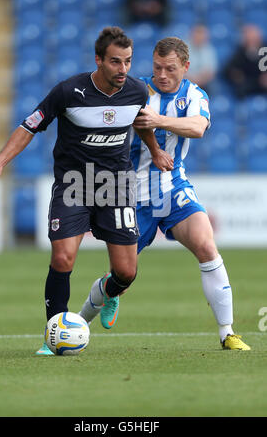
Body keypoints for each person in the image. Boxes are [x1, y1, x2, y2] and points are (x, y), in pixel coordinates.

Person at [0, 27, 173, 355]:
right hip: (74, 185)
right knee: (62, 257)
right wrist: (0, 162)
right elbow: (29, 126)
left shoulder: (138, 92)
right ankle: (53, 332)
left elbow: (142, 124)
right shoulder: (69, 91)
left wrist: (155, 151)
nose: (123, 69)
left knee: (126, 272)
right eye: (115, 62)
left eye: (127, 61)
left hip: (116, 186)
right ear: (98, 60)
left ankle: (107, 292)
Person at [80, 36, 251, 351]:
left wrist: (159, 120)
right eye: (157, 67)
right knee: (120, 274)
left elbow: (198, 128)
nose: (162, 75)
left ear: (186, 67)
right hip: (131, 195)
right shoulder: (136, 90)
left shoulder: (195, 95)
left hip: (173, 187)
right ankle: (74, 327)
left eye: (170, 69)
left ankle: (227, 333)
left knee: (206, 245)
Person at [223, 24, 267, 99]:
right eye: (249, 36)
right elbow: (228, 70)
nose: (252, 39)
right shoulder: (240, 52)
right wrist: (236, 75)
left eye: (254, 36)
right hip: (248, 83)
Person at [185, 24, 218, 95]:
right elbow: (180, 70)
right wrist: (193, 81)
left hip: (204, 84)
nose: (199, 36)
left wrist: (198, 81)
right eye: (197, 33)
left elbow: (210, 72)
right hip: (186, 82)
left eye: (202, 33)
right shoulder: (183, 48)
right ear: (191, 34)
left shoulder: (209, 49)